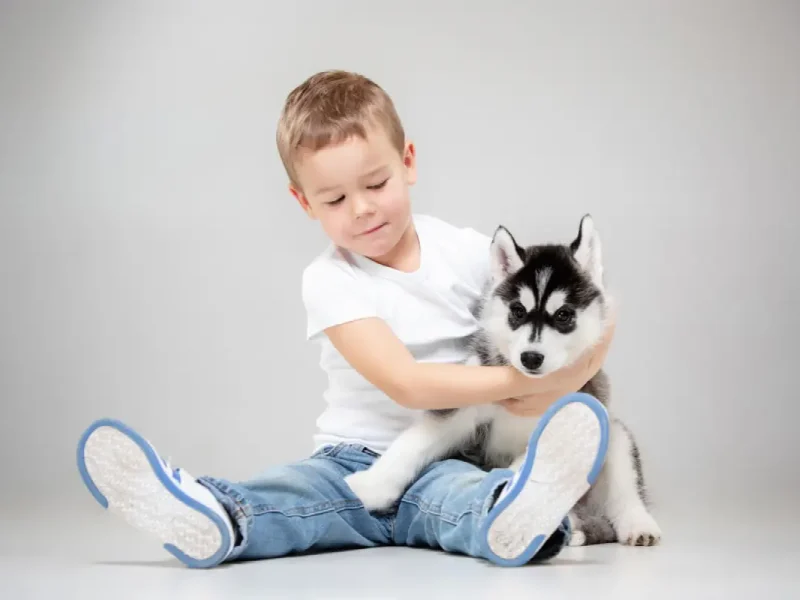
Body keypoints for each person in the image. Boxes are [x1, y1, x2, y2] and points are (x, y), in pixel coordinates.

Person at [76, 70, 615, 569]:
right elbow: (407, 384)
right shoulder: (330, 279)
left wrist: (574, 364)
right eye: (334, 198)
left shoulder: (470, 252)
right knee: (292, 495)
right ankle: (212, 512)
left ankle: (521, 515)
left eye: (375, 184)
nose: (361, 208)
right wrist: (530, 381)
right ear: (303, 202)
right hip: (350, 461)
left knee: (463, 499)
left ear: (408, 162)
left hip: (451, 453)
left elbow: (590, 308)